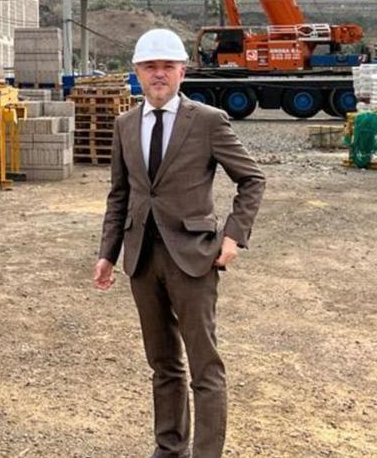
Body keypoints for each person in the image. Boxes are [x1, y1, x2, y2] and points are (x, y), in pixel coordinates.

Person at [93, 29, 266, 458]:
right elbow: (121, 194)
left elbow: (252, 178)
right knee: (163, 364)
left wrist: (233, 235)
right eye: (150, 67)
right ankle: (169, 448)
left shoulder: (206, 121)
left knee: (205, 368)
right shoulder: (124, 124)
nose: (158, 74)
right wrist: (107, 254)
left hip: (192, 258)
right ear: (136, 72)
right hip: (142, 259)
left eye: (167, 66)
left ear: (182, 71)